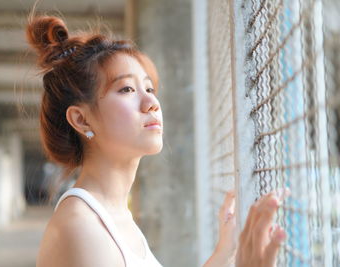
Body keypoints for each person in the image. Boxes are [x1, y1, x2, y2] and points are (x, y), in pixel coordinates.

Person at [26, 15, 289, 267]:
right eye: (126, 89)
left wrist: (226, 252)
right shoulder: (81, 227)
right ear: (82, 120)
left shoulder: (113, 215)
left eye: (149, 89)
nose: (151, 103)